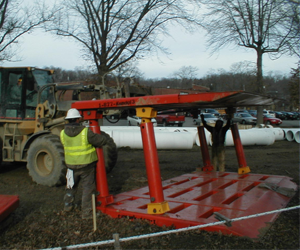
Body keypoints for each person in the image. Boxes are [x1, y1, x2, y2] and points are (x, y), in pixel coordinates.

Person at [60, 108, 108, 219]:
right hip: (86, 166)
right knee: (87, 189)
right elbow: (101, 141)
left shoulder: (62, 133)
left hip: (71, 166)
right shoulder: (85, 132)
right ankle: (86, 213)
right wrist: (105, 137)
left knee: (70, 187)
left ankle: (67, 207)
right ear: (78, 119)